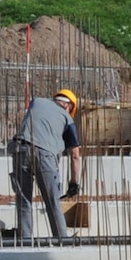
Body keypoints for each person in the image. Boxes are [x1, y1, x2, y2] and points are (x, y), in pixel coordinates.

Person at [9, 88, 83, 241]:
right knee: (52, 201)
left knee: (23, 201)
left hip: (20, 150)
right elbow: (75, 155)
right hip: (45, 155)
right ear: (68, 107)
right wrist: (74, 183)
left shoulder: (36, 102)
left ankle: (25, 241)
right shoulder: (67, 119)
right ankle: (63, 240)